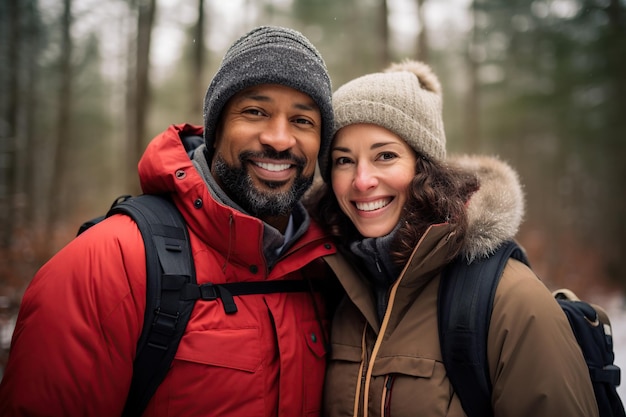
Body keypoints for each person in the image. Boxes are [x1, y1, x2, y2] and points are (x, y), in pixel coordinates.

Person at [0, 26, 338, 417]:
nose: (279, 139)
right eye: (255, 112)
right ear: (216, 128)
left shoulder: (328, 268)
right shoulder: (107, 263)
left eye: (302, 121)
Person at [306, 60, 599, 417]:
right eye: (343, 160)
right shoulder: (335, 286)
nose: (362, 180)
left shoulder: (509, 299)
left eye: (385, 156)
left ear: (424, 167)